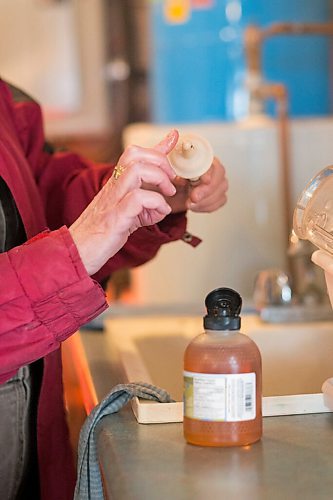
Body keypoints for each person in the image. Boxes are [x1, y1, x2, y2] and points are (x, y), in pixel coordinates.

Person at [0, 78, 228, 500]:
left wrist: (137, 195)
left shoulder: (7, 103)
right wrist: (80, 245)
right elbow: (69, 241)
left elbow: (40, 205)